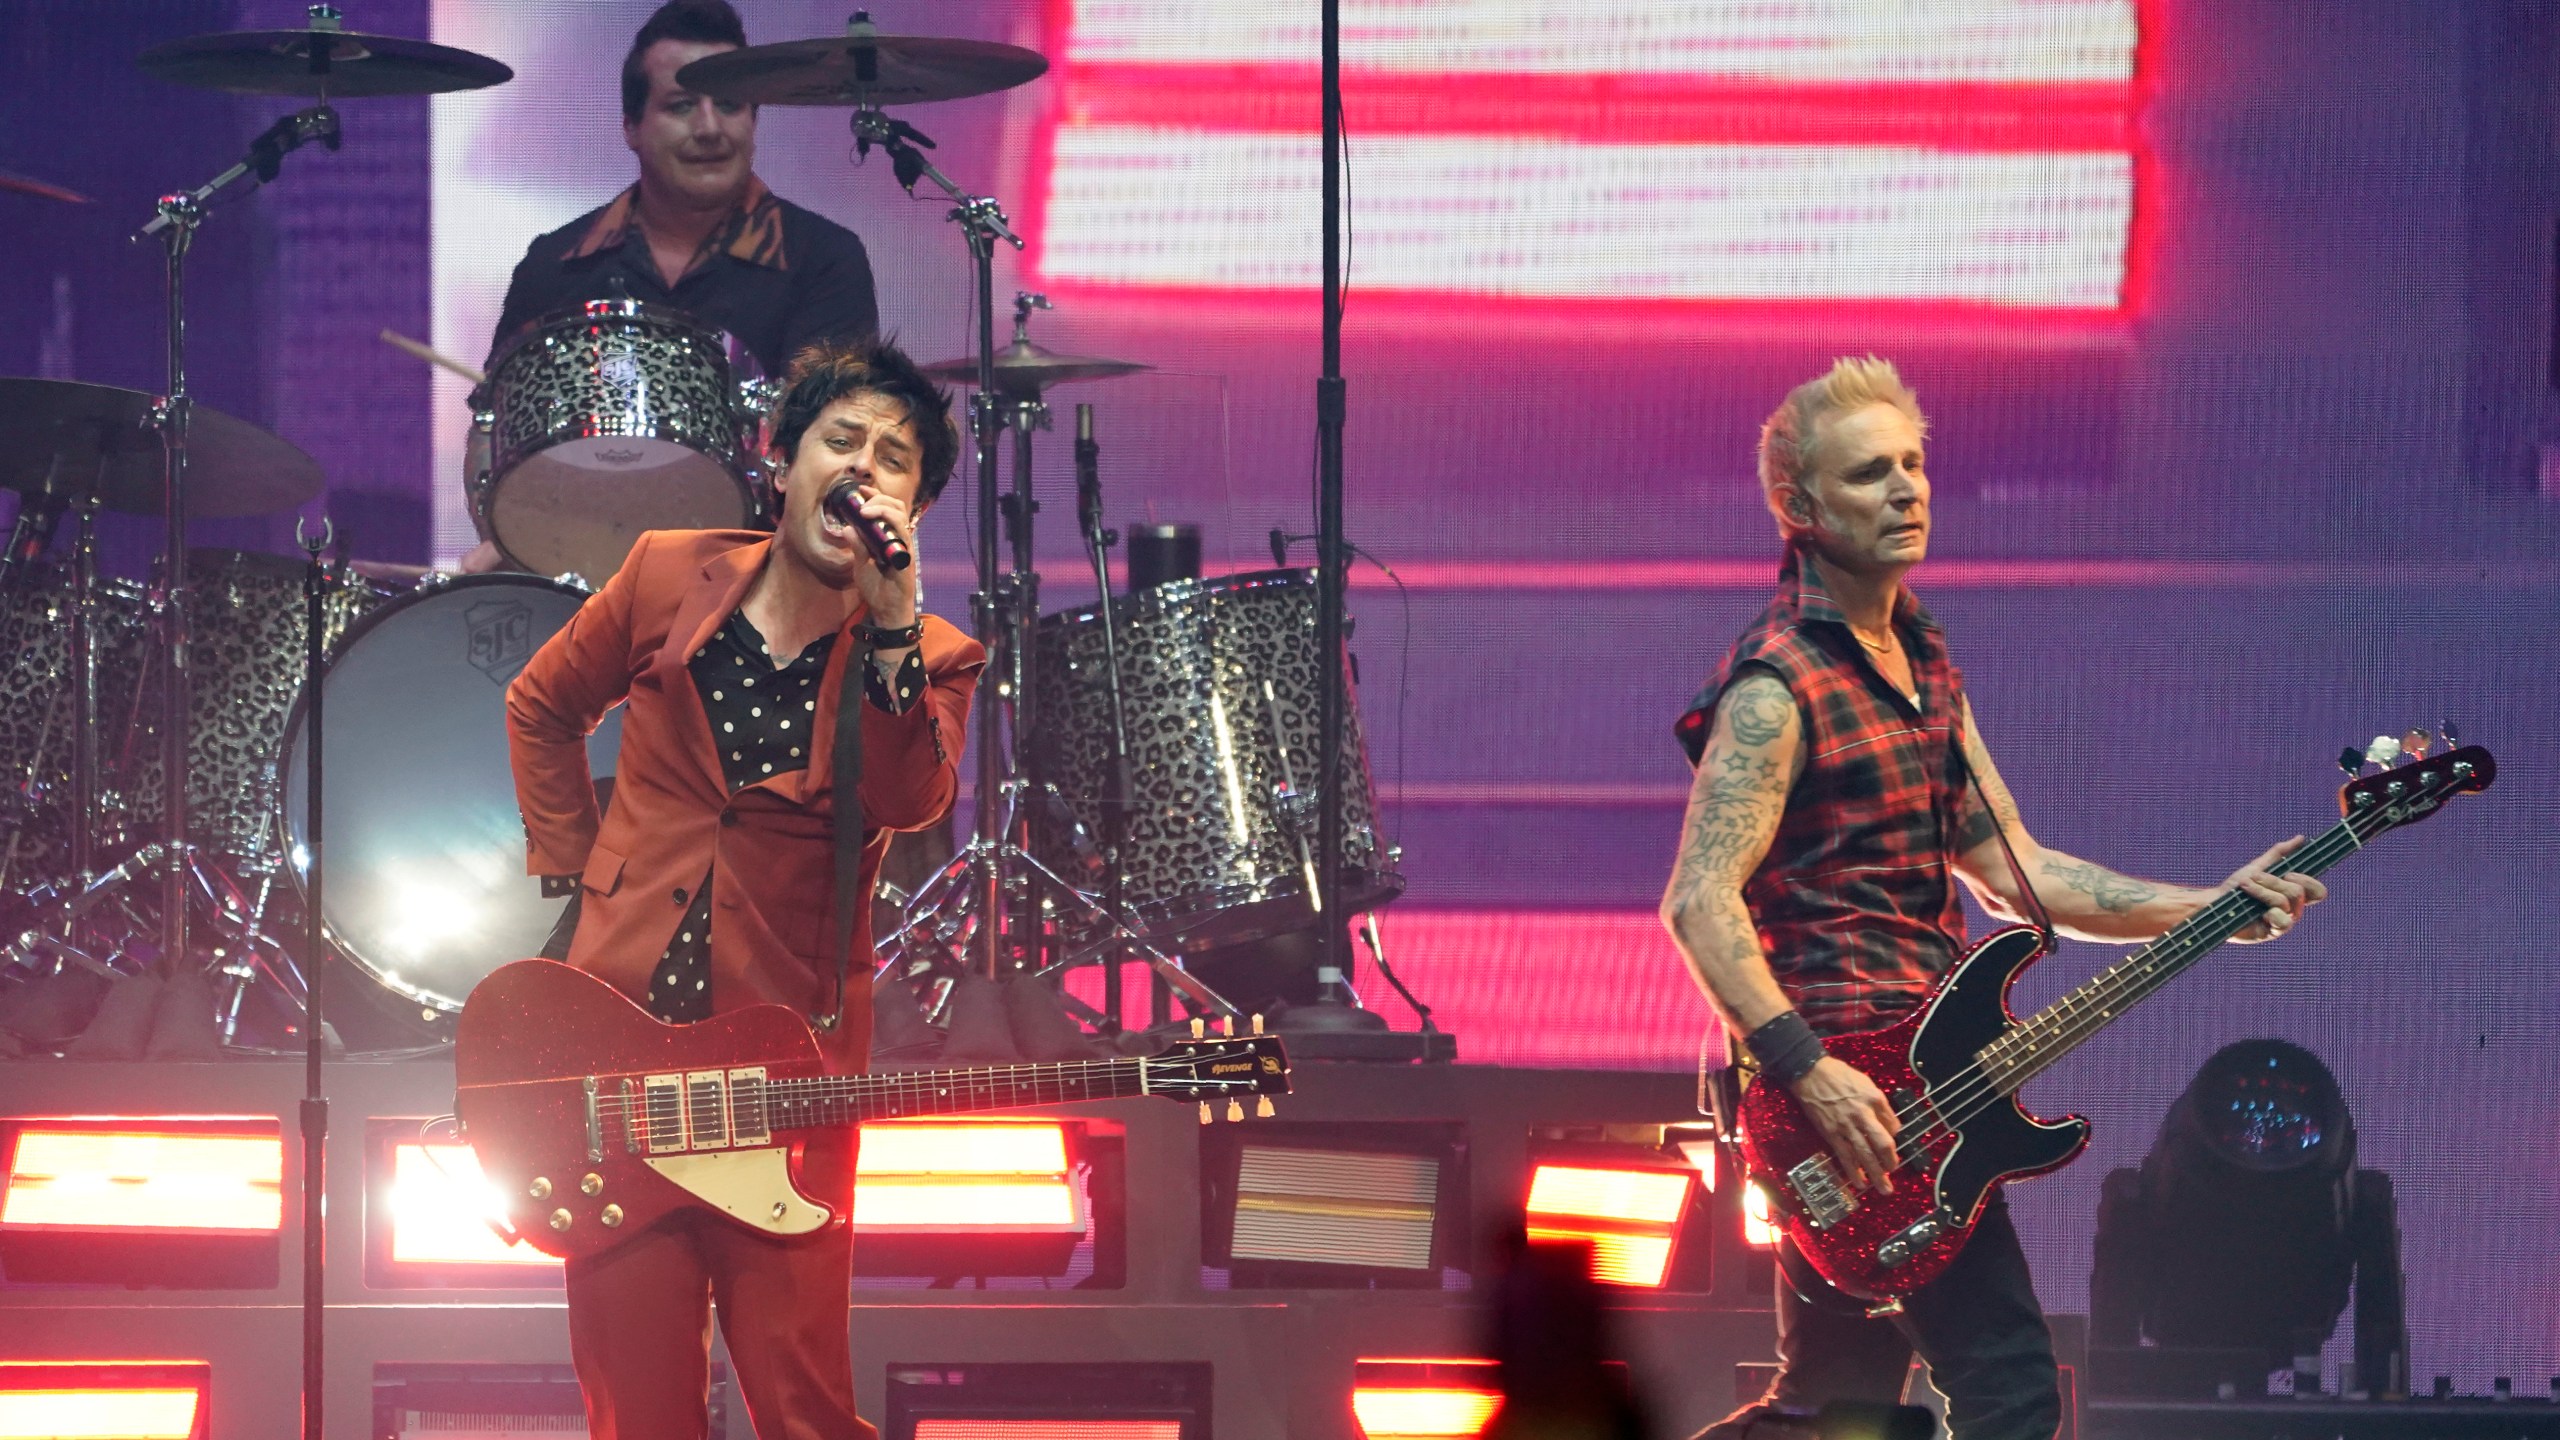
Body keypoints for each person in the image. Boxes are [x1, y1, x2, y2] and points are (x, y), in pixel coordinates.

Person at [1658, 357, 2327, 1440]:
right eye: (1869, 473)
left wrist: (2212, 906)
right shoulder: (1775, 688)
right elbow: (1699, 904)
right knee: (2008, 1387)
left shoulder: (1922, 661)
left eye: (1912, 464)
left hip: (1928, 1087)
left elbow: (2020, 873)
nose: (1905, 490)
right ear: (1801, 507)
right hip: (1849, 1095)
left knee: (1833, 1410)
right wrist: (1811, 1073)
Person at [506, 337, 983, 1440]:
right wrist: (584, 875)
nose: (864, 469)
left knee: (804, 1406)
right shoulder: (667, 574)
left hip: (786, 1077)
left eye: (895, 460)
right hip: (620, 1062)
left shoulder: (935, 655)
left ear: (915, 509)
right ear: (782, 460)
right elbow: (540, 705)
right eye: (842, 441)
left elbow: (910, 798)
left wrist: (894, 628)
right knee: (637, 1413)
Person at [464, 0, 882, 573]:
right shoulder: (555, 264)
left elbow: (838, 451)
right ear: (631, 127)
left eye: (729, 105)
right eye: (681, 106)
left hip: (764, 583)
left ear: (753, 120)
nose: (709, 128)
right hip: (579, 576)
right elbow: (495, 436)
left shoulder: (822, 259)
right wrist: (514, 535)